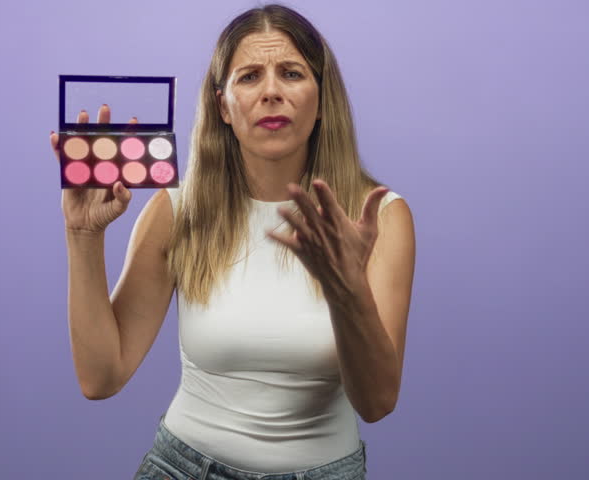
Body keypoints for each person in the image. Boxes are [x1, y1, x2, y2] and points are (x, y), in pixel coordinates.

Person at [50, 4, 415, 479]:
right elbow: (101, 377)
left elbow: (377, 403)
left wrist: (348, 291)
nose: (270, 93)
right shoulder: (177, 208)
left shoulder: (380, 218)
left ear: (322, 98)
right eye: (249, 77)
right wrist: (82, 237)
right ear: (223, 105)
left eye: (291, 73)